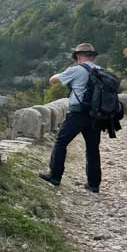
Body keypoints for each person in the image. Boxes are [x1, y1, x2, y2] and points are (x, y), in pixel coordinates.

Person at [40, 43, 102, 193]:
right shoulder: (101, 70)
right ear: (93, 56)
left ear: (78, 57)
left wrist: (62, 73)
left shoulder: (76, 70)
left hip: (78, 114)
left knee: (61, 142)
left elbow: (53, 81)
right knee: (93, 148)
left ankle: (55, 176)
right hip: (96, 115)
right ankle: (94, 184)